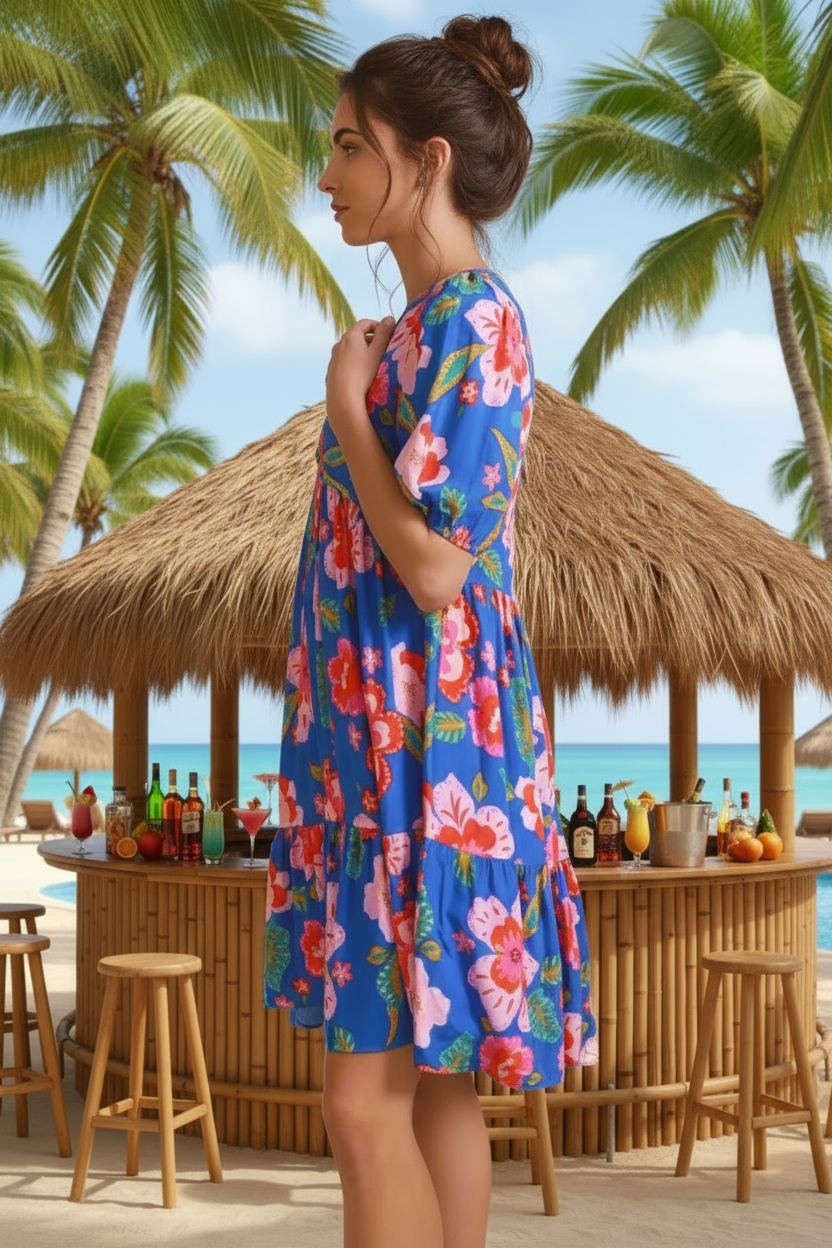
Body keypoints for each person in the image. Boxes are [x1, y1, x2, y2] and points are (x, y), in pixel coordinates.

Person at [264, 15, 597, 1248]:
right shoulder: (411, 331)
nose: (325, 174)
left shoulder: (474, 324)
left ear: (429, 160)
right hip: (380, 747)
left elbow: (434, 567)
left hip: (430, 754)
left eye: (350, 146)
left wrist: (348, 412)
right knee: (436, 1085)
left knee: (362, 1109)